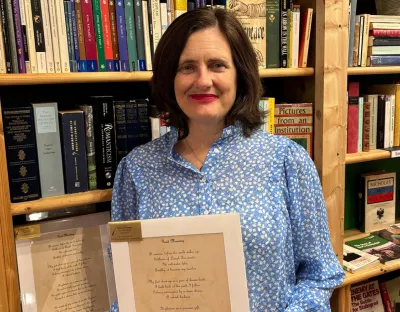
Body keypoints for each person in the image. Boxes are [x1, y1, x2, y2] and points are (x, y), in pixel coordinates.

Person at [110, 7, 345, 311]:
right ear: (170, 77)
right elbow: (127, 280)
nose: (203, 80)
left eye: (217, 65)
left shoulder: (286, 161)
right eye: (187, 67)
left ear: (240, 74)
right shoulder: (136, 170)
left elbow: (319, 272)